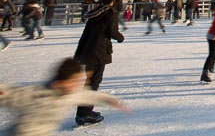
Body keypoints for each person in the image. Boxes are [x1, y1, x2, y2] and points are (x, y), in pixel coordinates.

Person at [0, 58, 129, 136]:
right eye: (74, 82)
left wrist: (108, 99)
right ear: (61, 82)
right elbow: (12, 93)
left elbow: (87, 95)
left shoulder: (68, 94)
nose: (78, 85)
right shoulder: (37, 94)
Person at [73, 0, 124, 126]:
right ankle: (86, 115)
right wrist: (120, 37)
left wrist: (79, 52)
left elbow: (85, 34)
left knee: (88, 82)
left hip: (88, 51)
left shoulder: (96, 12)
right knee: (93, 83)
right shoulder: (110, 12)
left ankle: (82, 113)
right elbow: (111, 31)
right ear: (112, 1)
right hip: (99, 51)